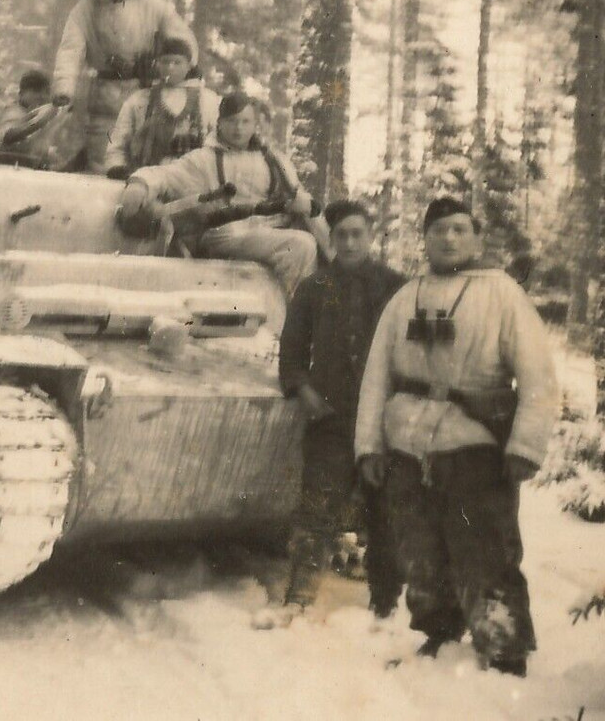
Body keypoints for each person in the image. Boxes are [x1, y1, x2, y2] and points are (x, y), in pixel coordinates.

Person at [355, 196, 558, 677]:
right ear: (424, 238)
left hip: (474, 446)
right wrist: (369, 446)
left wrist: (526, 446)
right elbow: (376, 377)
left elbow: (538, 377)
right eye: (439, 229)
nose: (449, 238)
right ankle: (438, 631)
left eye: (460, 229)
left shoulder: (503, 295)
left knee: (486, 550)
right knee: (419, 549)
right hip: (407, 444)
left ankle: (504, 647)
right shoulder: (405, 298)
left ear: (477, 238)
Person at [255, 201, 405, 629]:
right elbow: (293, 351)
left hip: (382, 419)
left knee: (385, 509)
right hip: (331, 416)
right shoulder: (315, 287)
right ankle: (299, 596)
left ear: (370, 235)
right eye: (342, 235)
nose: (351, 242)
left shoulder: (395, 287)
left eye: (359, 233)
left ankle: (386, 603)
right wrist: (303, 390)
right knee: (316, 508)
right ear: (332, 238)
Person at [117, 92, 322, 296]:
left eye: (245, 121)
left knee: (308, 243)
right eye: (232, 121)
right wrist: (139, 185)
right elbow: (162, 175)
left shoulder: (273, 159)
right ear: (220, 123)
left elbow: (298, 195)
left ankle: (293, 312)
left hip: (266, 230)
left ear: (254, 125)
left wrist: (302, 205)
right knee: (300, 245)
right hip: (222, 234)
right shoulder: (202, 160)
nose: (239, 128)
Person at [52, 0, 197, 174]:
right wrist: (64, 88)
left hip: (145, 91)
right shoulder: (86, 11)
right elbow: (70, 50)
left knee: (145, 156)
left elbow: (183, 42)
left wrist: (165, 68)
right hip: (104, 96)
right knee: (103, 158)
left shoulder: (154, 7)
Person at [104, 37, 219, 179]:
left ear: (189, 65)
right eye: (165, 62)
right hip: (147, 176)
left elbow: (218, 142)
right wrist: (117, 167)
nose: (170, 67)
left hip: (193, 177)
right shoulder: (139, 100)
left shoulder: (208, 100)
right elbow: (118, 141)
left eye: (177, 62)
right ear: (157, 64)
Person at [0, 69, 65, 166]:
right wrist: (39, 123)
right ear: (21, 93)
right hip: (6, 167)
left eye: (46, 92)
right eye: (35, 91)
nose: (42, 96)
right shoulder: (13, 112)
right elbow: (8, 136)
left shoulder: (39, 113)